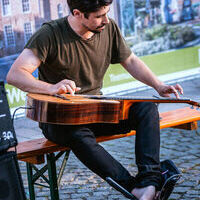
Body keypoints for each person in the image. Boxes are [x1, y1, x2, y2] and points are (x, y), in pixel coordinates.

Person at [6, 0, 183, 199]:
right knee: (78, 135)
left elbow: (130, 60)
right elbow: (15, 75)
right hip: (59, 119)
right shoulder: (50, 34)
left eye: (107, 13)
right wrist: (52, 88)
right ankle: (135, 188)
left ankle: (150, 179)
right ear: (78, 13)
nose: (106, 20)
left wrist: (158, 85)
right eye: (99, 16)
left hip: (96, 110)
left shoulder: (109, 28)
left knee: (147, 109)